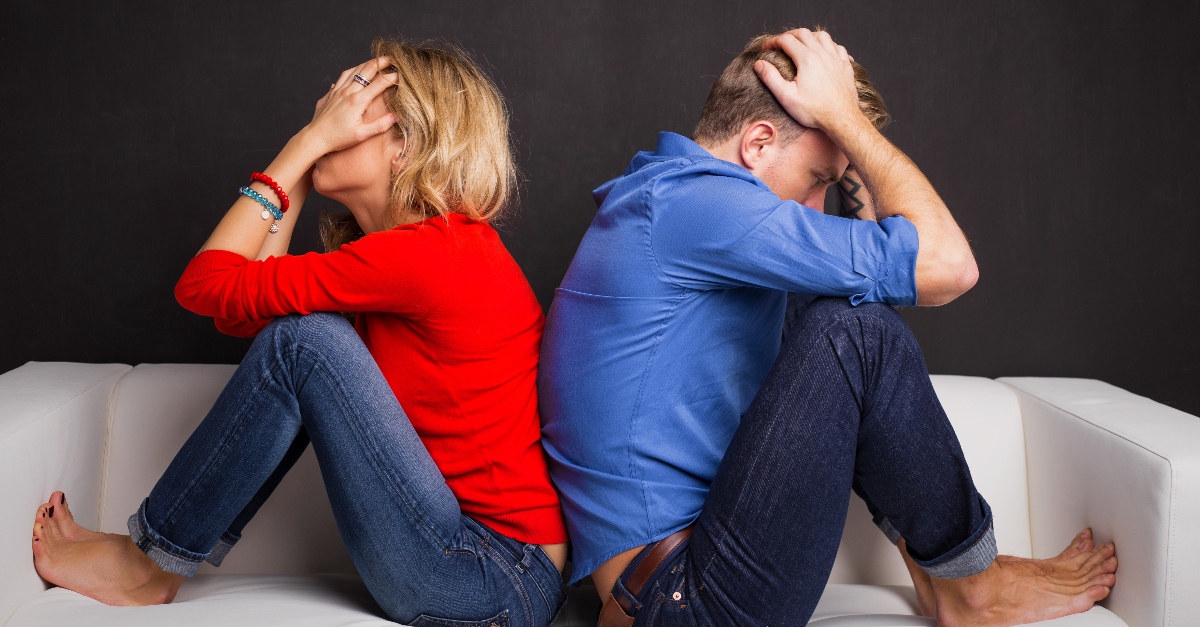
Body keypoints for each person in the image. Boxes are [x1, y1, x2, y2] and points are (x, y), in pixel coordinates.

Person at [539, 28, 1118, 627]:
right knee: (854, 334)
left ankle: (941, 573)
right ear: (758, 143)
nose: (819, 204)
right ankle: (970, 587)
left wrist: (840, 136)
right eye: (819, 178)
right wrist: (848, 120)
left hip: (674, 588)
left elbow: (863, 300)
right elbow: (950, 266)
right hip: (680, 602)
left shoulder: (670, 201)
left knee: (838, 314)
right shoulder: (699, 206)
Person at [30, 39, 568, 627]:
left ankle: (144, 568)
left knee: (307, 342)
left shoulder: (435, 255)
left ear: (405, 144)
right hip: (483, 566)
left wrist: (302, 148)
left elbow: (205, 284)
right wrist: (304, 172)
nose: (324, 115)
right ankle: (147, 557)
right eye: (325, 111)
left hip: (491, 578)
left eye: (348, 110)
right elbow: (243, 313)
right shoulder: (398, 256)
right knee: (300, 336)